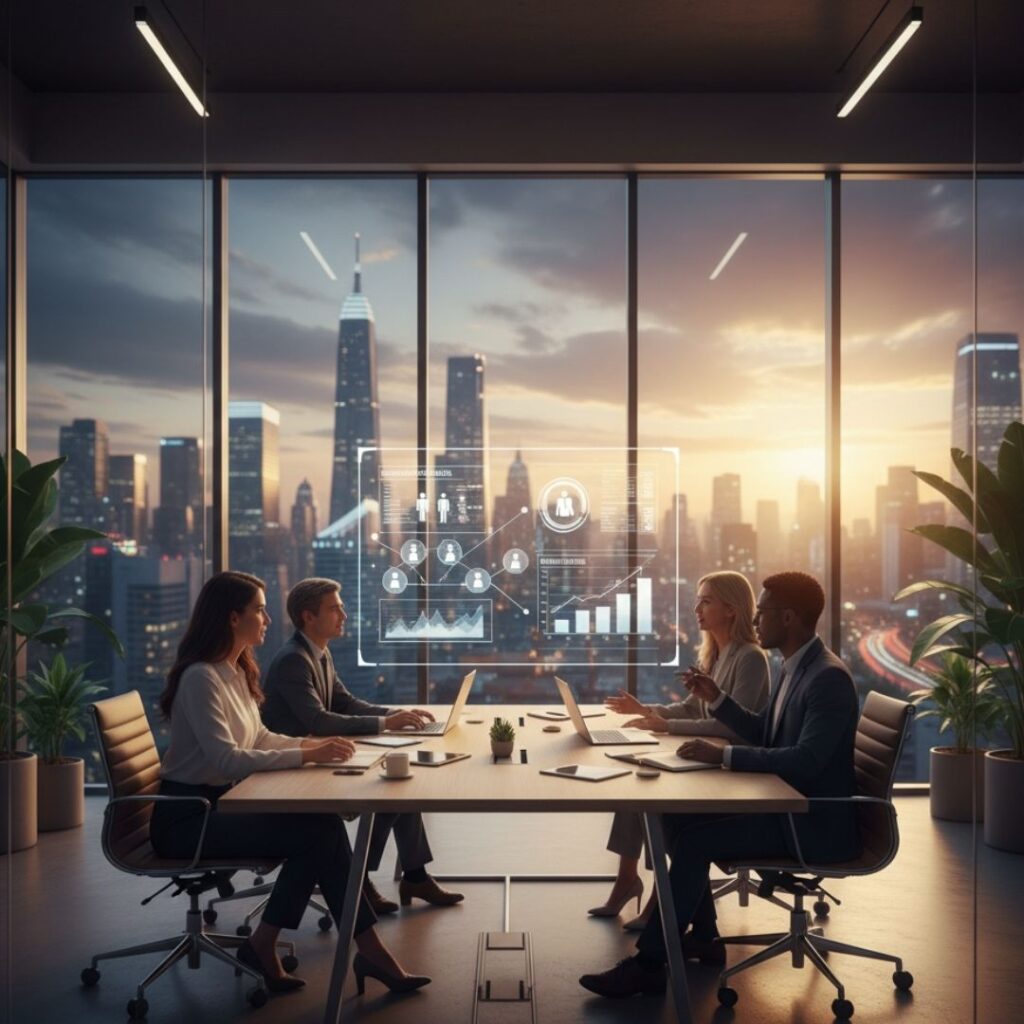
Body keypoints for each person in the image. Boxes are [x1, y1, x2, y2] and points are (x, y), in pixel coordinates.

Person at [579, 571, 860, 999]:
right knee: (674, 819)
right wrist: (719, 699)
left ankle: (649, 965)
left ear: (788, 617)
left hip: (811, 823)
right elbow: (767, 731)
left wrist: (723, 756)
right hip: (784, 804)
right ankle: (705, 937)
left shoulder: (827, 678)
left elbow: (805, 762)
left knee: (694, 841)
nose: (756, 619)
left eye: (763, 612)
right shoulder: (795, 667)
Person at [150, 571, 429, 996]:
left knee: (322, 827)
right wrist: (306, 754)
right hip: (188, 818)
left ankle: (347, 949)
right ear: (232, 617)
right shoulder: (201, 678)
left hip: (224, 802)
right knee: (317, 834)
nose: (267, 619)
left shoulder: (234, 670)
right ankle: (337, 950)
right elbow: (226, 758)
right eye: (259, 610)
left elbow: (260, 737)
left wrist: (309, 745)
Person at [261, 577, 464, 913]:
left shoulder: (317, 652)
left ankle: (413, 877)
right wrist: (386, 724)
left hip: (319, 756)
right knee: (388, 792)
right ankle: (358, 882)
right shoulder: (293, 660)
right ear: (308, 616)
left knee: (400, 781)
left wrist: (393, 714)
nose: (344, 615)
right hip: (294, 769)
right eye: (335, 609)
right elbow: (319, 721)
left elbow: (345, 702)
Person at [590, 571, 770, 930]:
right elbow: (691, 708)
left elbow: (732, 728)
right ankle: (627, 880)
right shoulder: (715, 653)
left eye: (706, 601)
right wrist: (647, 710)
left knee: (656, 798)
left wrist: (664, 726)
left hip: (729, 766)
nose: (697, 609)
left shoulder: (750, 658)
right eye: (698, 601)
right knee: (634, 782)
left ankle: (661, 898)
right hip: (704, 756)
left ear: (731, 610)